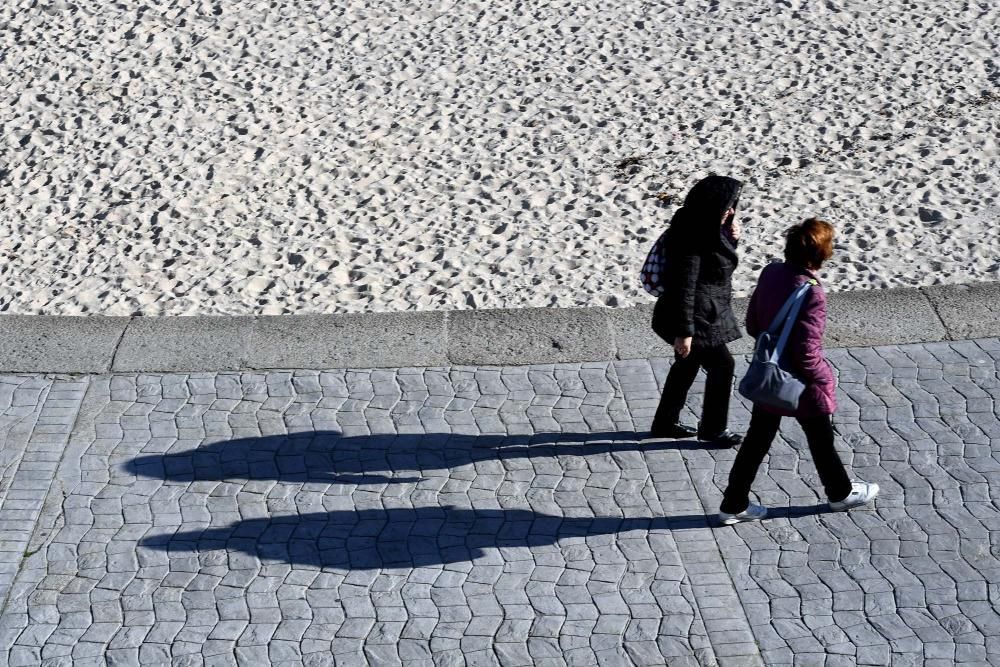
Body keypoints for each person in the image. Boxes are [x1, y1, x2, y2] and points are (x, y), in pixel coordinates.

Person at [718, 218, 878, 525]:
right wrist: (823, 377)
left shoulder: (771, 272)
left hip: (771, 375)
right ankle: (840, 493)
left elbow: (753, 324)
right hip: (799, 382)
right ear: (821, 253)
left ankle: (734, 502)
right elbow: (807, 352)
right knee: (820, 436)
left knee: (757, 439)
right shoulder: (812, 291)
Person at [649, 175, 745, 447]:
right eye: (727, 206)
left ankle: (664, 423)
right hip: (697, 316)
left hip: (705, 312)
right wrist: (684, 332)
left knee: (687, 364)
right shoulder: (692, 237)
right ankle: (714, 429)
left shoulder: (704, 226)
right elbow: (685, 287)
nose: (731, 211)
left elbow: (718, 266)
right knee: (723, 365)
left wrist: (730, 238)